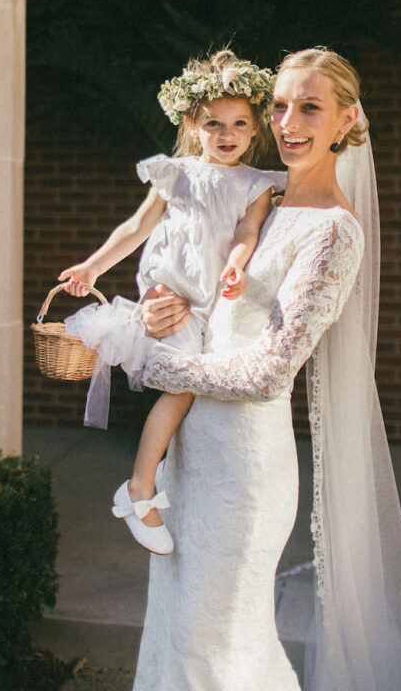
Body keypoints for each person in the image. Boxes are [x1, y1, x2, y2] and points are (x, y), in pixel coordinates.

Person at [132, 47, 401, 691]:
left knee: (211, 642)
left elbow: (269, 373)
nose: (288, 122)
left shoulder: (332, 232)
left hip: (244, 466)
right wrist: (155, 315)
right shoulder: (256, 193)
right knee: (174, 631)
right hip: (190, 456)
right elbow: (196, 290)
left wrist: (165, 365)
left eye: (310, 107)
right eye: (278, 106)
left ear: (348, 120)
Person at [58, 50, 285, 554]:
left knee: (204, 393)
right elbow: (136, 227)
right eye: (213, 123)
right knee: (181, 388)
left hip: (217, 302)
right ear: (191, 123)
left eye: (239, 124)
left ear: (254, 131)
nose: (227, 134)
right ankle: (139, 486)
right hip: (174, 295)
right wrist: (92, 266)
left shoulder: (256, 184)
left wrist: (238, 262)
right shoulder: (174, 173)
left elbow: (248, 231)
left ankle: (164, 472)